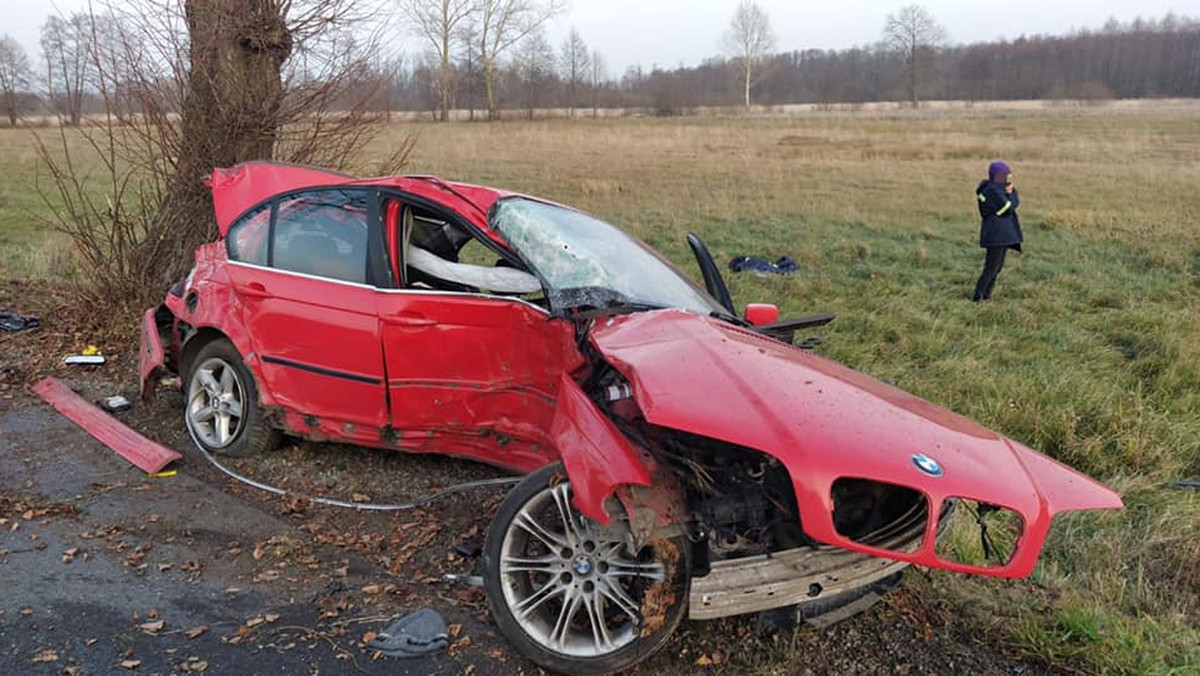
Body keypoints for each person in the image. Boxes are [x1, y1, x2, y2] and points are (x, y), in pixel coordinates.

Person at [972, 161, 1023, 302]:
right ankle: (978, 298)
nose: (1007, 179)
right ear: (998, 176)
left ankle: (986, 296)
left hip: (1001, 235)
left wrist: (1009, 193)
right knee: (991, 268)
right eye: (1005, 175)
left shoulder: (996, 189)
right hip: (996, 235)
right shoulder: (991, 190)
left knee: (997, 268)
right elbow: (1008, 207)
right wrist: (1012, 194)